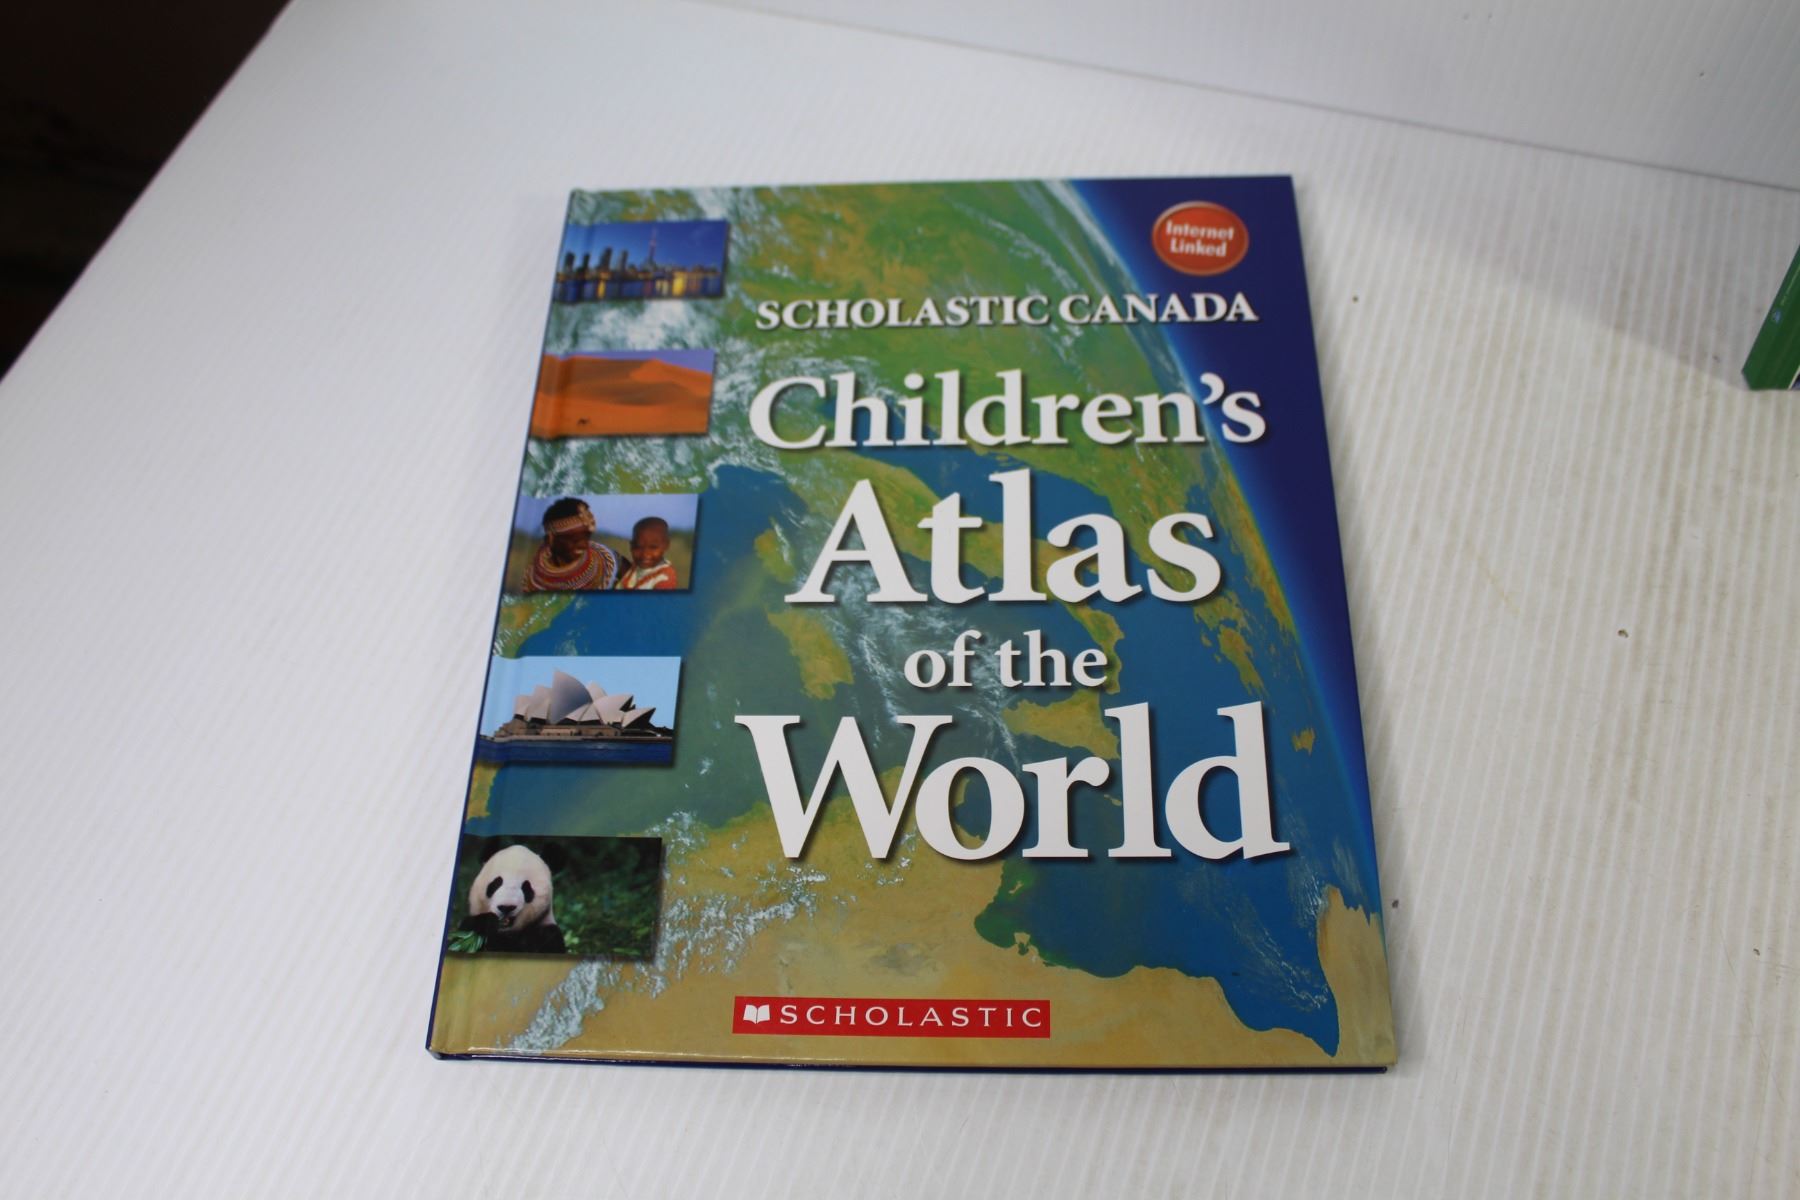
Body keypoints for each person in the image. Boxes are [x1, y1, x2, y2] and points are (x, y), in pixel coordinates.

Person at [522, 498, 621, 592]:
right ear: (550, 539)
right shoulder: (531, 580)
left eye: (586, 537)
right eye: (574, 540)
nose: (583, 545)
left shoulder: (616, 565)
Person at [616, 516, 679, 590]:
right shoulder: (633, 568)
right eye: (638, 547)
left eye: (653, 547)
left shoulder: (665, 579)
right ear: (631, 546)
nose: (645, 554)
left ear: (666, 545)